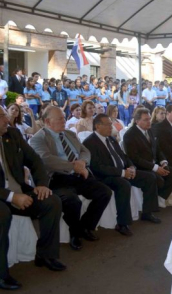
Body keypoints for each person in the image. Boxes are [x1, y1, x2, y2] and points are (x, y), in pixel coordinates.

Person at [0, 107, 65, 290]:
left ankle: (46, 255)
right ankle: (1, 274)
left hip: (19, 191)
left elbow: (35, 160)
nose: (7, 120)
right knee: (2, 213)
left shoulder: (12, 134)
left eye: (6, 115)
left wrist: (42, 183)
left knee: (51, 201)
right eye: (2, 116)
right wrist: (12, 197)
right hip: (4, 196)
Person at [29, 106, 112, 251]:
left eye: (63, 116)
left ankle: (86, 226)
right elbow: (46, 160)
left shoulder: (69, 134)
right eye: (60, 118)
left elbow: (84, 151)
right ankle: (75, 234)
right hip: (56, 178)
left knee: (104, 192)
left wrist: (82, 163)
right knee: (73, 201)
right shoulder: (38, 139)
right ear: (48, 121)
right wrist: (73, 166)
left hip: (78, 174)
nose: (64, 120)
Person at [83, 114, 160, 236]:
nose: (111, 127)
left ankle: (147, 212)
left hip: (122, 171)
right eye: (108, 124)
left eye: (111, 124)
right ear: (97, 126)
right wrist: (122, 173)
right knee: (123, 184)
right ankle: (122, 223)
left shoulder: (111, 139)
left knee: (149, 177)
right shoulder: (90, 142)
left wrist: (131, 167)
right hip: (105, 176)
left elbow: (123, 156)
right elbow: (97, 167)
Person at [123, 108, 172, 211]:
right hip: (142, 167)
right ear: (137, 121)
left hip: (155, 164)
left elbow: (158, 149)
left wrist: (163, 162)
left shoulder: (149, 130)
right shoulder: (130, 135)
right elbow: (134, 158)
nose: (149, 122)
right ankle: (151, 207)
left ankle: (160, 197)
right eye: (145, 120)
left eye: (149, 119)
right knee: (159, 180)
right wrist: (155, 168)